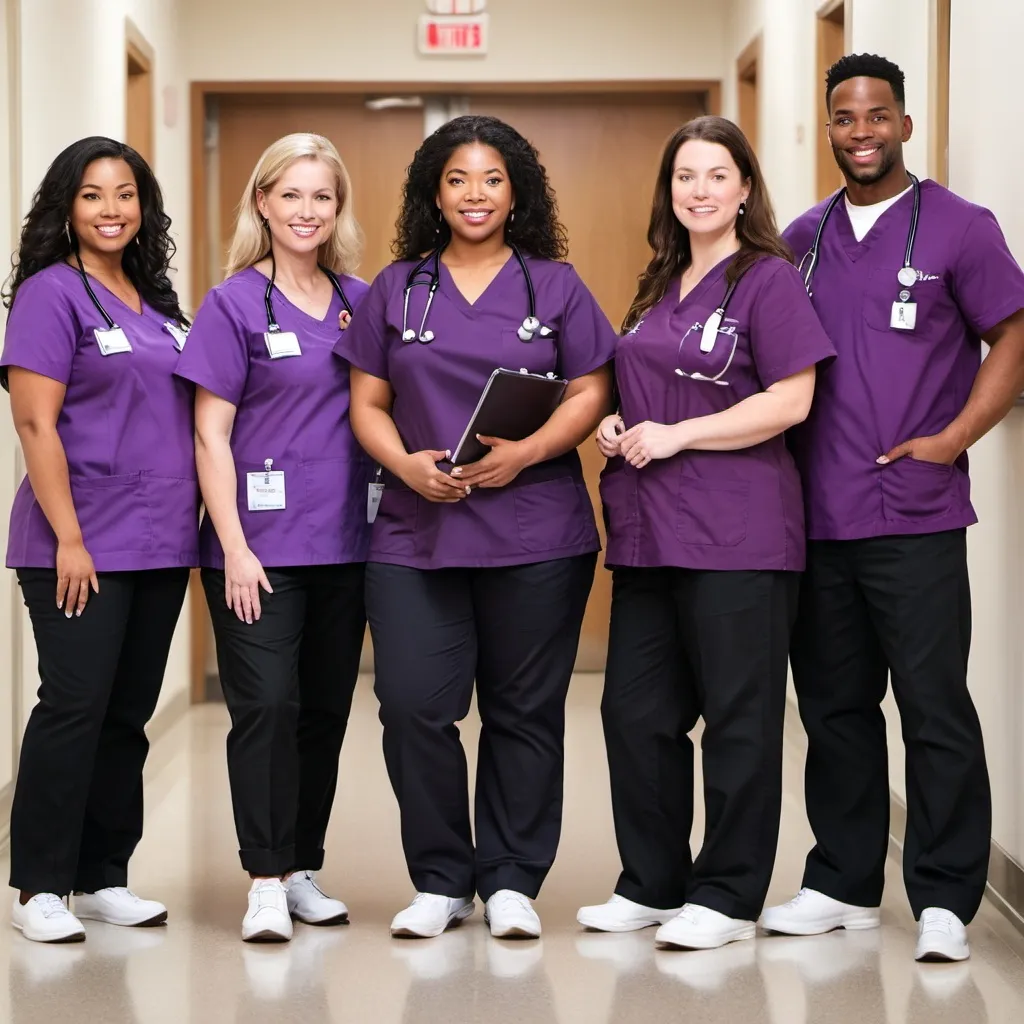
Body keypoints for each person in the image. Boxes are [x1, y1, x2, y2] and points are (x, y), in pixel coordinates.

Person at [762, 54, 1024, 963]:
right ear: (829, 129)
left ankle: (947, 896)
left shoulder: (961, 227)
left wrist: (955, 438)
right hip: (816, 513)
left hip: (914, 512)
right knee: (834, 705)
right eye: (843, 117)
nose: (861, 131)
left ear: (906, 125)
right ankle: (841, 882)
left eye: (877, 116)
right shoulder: (800, 237)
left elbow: (1013, 335)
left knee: (933, 704)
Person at [336, 114, 616, 940]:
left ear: (517, 190)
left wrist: (525, 452)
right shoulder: (399, 287)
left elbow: (593, 388)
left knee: (524, 708)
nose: (475, 194)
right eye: (457, 178)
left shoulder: (554, 284)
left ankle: (509, 880)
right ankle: (440, 876)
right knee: (411, 703)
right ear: (433, 191)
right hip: (415, 533)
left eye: (492, 178)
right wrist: (407, 466)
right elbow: (367, 402)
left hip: (535, 527)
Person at [575, 116, 835, 951]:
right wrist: (618, 422)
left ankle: (725, 896)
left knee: (739, 719)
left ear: (746, 189)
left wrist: (679, 435)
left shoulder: (769, 280)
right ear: (670, 191)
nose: (700, 190)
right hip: (651, 533)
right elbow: (645, 383)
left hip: (740, 534)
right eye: (686, 176)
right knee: (636, 713)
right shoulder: (659, 283)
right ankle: (652, 884)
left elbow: (791, 401)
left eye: (717, 175)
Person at [173, 133, 370, 943]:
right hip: (257, 550)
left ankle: (300, 870)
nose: (306, 211)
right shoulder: (231, 304)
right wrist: (237, 548)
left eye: (321, 196)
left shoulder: (361, 300)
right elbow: (208, 436)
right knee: (266, 707)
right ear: (262, 202)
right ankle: (262, 878)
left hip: (348, 544)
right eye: (290, 195)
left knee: (323, 710)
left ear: (337, 208)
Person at [0, 137, 197, 943]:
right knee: (75, 705)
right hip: (78, 543)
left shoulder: (155, 299)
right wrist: (69, 539)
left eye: (125, 194)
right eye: (92, 195)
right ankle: (39, 886)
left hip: (159, 540)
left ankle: (103, 874)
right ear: (65, 208)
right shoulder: (52, 294)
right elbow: (34, 421)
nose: (111, 209)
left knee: (126, 714)